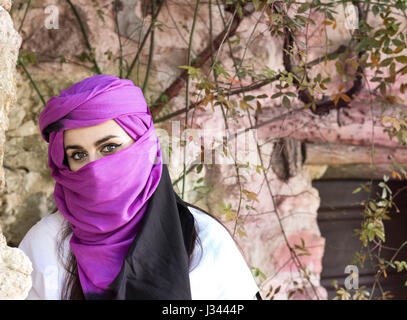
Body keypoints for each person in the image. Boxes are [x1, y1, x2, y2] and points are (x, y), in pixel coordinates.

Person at [18, 74, 261, 300]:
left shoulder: (205, 242)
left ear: (145, 146)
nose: (95, 169)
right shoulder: (44, 243)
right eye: (79, 155)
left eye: (109, 148)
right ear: (63, 163)